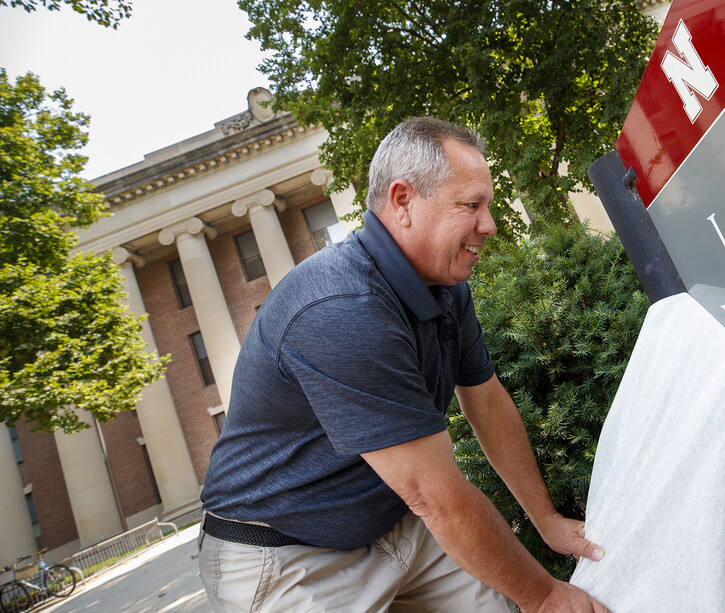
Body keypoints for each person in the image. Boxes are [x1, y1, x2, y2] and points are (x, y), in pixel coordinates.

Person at [197, 117, 609, 612]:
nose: (489, 225)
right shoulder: (341, 308)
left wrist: (546, 520)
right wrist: (544, 596)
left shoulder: (446, 285)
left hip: (393, 523)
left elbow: (486, 400)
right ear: (402, 200)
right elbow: (433, 496)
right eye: (471, 205)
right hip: (285, 556)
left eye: (490, 205)